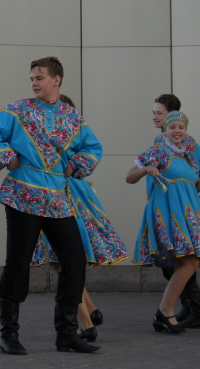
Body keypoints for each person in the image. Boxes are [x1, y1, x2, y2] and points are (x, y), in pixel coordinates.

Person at [0, 57, 101, 355]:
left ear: (57, 79)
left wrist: (76, 165)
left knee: (75, 260)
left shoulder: (72, 116)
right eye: (32, 78)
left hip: (57, 198)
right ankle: (8, 334)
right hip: (23, 194)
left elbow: (92, 147)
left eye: (40, 77)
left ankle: (67, 333)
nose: (34, 83)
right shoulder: (18, 109)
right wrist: (8, 158)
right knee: (18, 263)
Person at [29, 94, 128, 343]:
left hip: (59, 195)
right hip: (73, 192)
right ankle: (91, 310)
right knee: (67, 262)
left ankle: (86, 323)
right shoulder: (72, 132)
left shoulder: (53, 135)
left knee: (63, 263)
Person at [126, 111, 200, 334]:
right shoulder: (159, 150)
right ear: (165, 130)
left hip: (188, 211)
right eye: (172, 127)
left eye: (181, 127)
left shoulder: (187, 154)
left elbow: (192, 177)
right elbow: (129, 176)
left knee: (186, 263)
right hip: (169, 210)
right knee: (189, 263)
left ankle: (165, 312)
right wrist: (146, 169)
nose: (177, 131)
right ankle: (165, 311)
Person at [152, 94, 200, 329]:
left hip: (181, 207)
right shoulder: (159, 143)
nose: (155, 117)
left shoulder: (187, 143)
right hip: (165, 205)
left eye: (159, 113)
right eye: (154, 113)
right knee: (176, 262)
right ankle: (191, 309)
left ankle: (196, 310)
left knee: (181, 261)